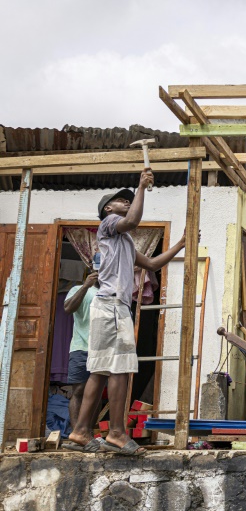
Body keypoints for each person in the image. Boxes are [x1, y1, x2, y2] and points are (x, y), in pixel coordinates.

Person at [66, 170, 190, 455]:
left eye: (128, 199)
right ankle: (117, 433)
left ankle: (82, 431)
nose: (126, 202)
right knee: (120, 369)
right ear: (108, 209)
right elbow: (133, 219)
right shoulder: (109, 224)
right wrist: (141, 187)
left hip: (110, 306)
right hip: (112, 306)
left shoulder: (125, 242)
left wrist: (180, 245)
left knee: (99, 370)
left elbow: (153, 264)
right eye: (121, 200)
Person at [64, 269, 100, 435]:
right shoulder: (77, 289)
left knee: (96, 392)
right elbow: (68, 308)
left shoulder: (108, 292)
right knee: (78, 391)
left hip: (101, 349)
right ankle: (75, 433)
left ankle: (88, 433)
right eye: (95, 270)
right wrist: (86, 286)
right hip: (80, 347)